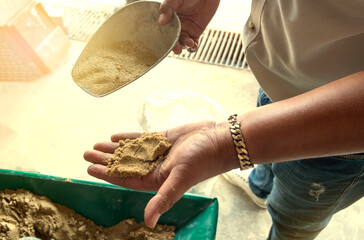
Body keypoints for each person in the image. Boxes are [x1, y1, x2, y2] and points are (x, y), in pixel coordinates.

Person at [84, 0, 364, 239]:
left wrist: (224, 146)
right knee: (265, 162)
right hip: (279, 72)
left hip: (336, 134)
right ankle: (259, 188)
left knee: (293, 216)